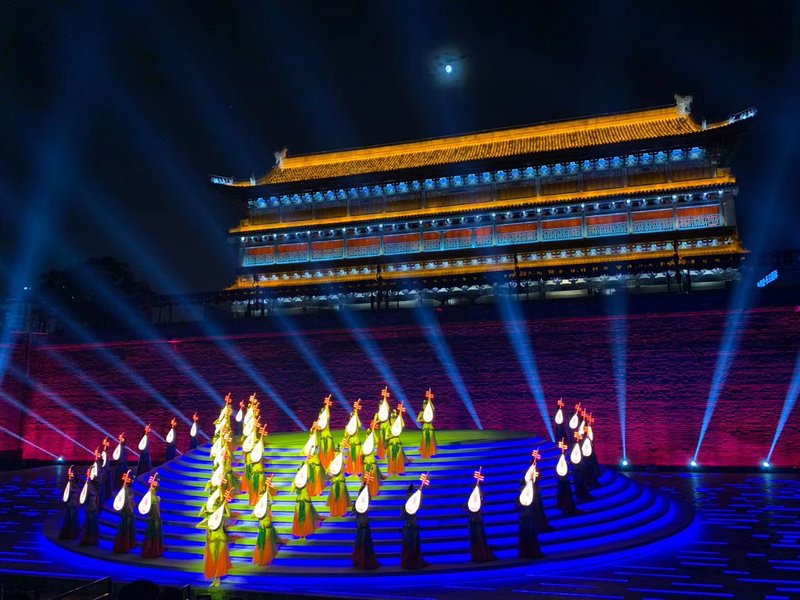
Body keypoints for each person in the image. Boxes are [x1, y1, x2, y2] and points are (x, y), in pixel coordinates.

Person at [200, 488, 233, 587]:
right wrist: (207, 528)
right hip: (212, 539)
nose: (214, 508)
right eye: (213, 507)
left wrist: (225, 505)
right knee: (213, 559)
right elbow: (200, 526)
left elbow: (228, 514)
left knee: (219, 559)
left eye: (215, 506)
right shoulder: (209, 518)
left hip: (221, 538)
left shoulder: (222, 517)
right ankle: (215, 579)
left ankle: (217, 579)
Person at [466, 468, 496, 562]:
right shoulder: (470, 498)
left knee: (480, 537)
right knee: (475, 538)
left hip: (477, 519)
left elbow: (481, 502)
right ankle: (477, 555)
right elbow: (466, 506)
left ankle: (482, 554)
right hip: (473, 520)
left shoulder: (480, 496)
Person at [401, 477, 428, 570]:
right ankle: (410, 562)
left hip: (412, 526)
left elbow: (418, 506)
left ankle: (413, 562)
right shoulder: (405, 506)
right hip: (409, 527)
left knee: (414, 545)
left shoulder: (411, 504)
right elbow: (402, 516)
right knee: (410, 545)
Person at [252, 476, 280, 566]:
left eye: (262, 497)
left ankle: (266, 559)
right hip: (261, 528)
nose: (261, 498)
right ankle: (260, 559)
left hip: (267, 528)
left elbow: (271, 501)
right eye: (260, 497)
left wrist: (268, 493)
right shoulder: (258, 508)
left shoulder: (268, 505)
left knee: (266, 544)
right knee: (261, 545)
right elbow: (253, 515)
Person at [352, 478, 379, 569]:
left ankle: (366, 561)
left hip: (365, 524)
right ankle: (360, 561)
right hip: (361, 525)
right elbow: (354, 513)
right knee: (360, 543)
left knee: (366, 543)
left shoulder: (365, 502)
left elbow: (369, 499)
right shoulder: (357, 504)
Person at [291, 462, 322, 539]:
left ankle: (305, 532)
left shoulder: (307, 478)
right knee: (300, 518)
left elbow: (309, 479)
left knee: (306, 517)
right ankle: (301, 533)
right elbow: (292, 491)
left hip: (306, 501)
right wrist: (295, 483)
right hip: (299, 501)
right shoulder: (296, 481)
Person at [517, 476, 544, 559]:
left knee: (532, 534)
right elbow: (516, 507)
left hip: (530, 517)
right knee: (524, 535)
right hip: (524, 518)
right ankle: (525, 551)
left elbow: (536, 505)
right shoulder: (519, 498)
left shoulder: (531, 495)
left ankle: (533, 550)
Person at [140, 473, 164, 558]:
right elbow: (156, 510)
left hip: (150, 518)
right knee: (153, 535)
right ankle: (152, 552)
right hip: (154, 519)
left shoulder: (150, 495)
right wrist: (158, 518)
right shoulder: (153, 498)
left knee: (149, 535)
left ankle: (148, 551)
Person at [113, 470, 137, 553]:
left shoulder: (126, 489)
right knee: (126, 529)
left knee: (127, 528)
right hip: (127, 512)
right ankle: (124, 545)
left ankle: (127, 544)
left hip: (127, 511)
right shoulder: (125, 490)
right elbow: (127, 502)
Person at [326, 445, 351, 518]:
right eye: (335, 454)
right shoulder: (332, 463)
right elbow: (328, 474)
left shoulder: (342, 461)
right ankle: (335, 512)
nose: (335, 455)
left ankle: (341, 511)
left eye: (336, 454)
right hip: (335, 482)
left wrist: (342, 454)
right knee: (335, 497)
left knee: (340, 496)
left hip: (340, 481)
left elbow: (346, 463)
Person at [362, 421, 384, 497]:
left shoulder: (372, 443)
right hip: (366, 463)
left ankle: (374, 491)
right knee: (366, 478)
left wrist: (373, 433)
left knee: (372, 477)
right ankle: (366, 491)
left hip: (372, 463)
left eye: (369, 435)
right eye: (367, 435)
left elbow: (377, 441)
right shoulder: (364, 445)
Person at [556, 440, 578, 515]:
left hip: (565, 480)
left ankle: (567, 506)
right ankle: (564, 506)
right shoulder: (560, 463)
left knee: (567, 494)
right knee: (563, 493)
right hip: (563, 481)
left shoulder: (566, 462)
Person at [59, 465, 81, 540]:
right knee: (69, 518)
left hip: (74, 503)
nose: (71, 474)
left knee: (72, 518)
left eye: (72, 473)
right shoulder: (70, 483)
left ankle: (72, 533)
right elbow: (68, 491)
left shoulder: (75, 483)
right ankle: (68, 534)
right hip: (70, 503)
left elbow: (75, 491)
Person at [79, 468, 100, 546]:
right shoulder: (88, 486)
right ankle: (87, 539)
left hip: (94, 508)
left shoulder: (95, 487)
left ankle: (92, 540)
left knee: (93, 524)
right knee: (88, 524)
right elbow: (85, 497)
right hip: (90, 508)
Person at [387, 406, 407, 475]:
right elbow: (386, 437)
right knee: (392, 457)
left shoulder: (397, 427)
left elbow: (403, 425)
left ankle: (398, 470)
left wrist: (400, 416)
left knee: (398, 457)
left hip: (397, 443)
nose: (392, 421)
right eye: (391, 420)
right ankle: (392, 470)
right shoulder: (389, 428)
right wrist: (391, 436)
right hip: (391, 444)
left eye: (393, 420)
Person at [417, 388, 437, 459]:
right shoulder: (421, 413)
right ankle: (424, 451)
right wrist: (423, 419)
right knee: (425, 438)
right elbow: (418, 419)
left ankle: (431, 451)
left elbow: (433, 408)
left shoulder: (429, 412)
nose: (425, 407)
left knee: (430, 438)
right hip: (425, 426)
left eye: (426, 406)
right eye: (424, 406)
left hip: (430, 426)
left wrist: (430, 401)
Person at [345, 400, 363, 477]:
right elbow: (345, 436)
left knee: (357, 457)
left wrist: (356, 415)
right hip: (351, 444)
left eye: (353, 417)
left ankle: (358, 471)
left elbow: (360, 425)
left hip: (357, 444)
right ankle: (351, 471)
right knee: (352, 458)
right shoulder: (347, 427)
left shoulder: (357, 425)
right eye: (351, 417)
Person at [317, 395, 335, 470]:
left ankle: (329, 467)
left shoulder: (326, 418)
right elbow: (319, 427)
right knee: (323, 453)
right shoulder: (320, 421)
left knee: (328, 452)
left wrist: (327, 406)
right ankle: (324, 467)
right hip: (323, 437)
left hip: (327, 436)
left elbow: (327, 415)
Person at [375, 387, 392, 459]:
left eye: (381, 405)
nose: (380, 406)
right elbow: (377, 420)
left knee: (387, 439)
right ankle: (383, 453)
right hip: (382, 426)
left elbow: (387, 407)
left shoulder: (386, 410)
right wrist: (377, 421)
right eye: (379, 405)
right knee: (383, 440)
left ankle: (388, 453)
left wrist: (385, 399)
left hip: (387, 425)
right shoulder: (378, 414)